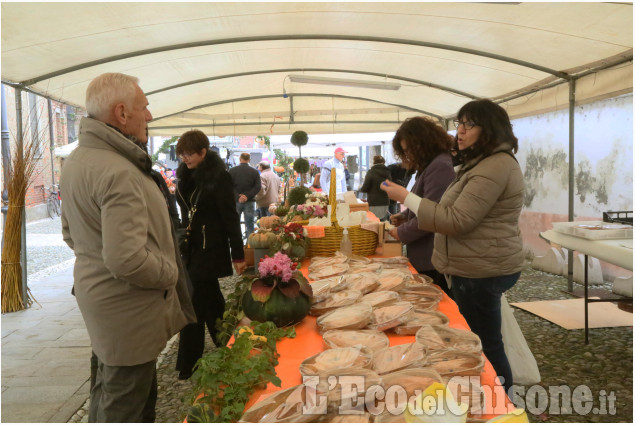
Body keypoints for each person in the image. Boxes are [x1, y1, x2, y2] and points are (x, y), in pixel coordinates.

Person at [60, 72, 196, 422]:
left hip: (105, 302)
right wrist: (170, 272)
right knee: (125, 406)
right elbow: (127, 259)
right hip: (126, 311)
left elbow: (70, 233)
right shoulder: (119, 170)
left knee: (107, 392)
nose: (149, 116)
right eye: (144, 107)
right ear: (122, 113)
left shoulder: (79, 160)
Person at [381, 99, 524, 393]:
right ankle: (490, 397)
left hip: (481, 269)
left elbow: (456, 220)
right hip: (472, 265)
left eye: (469, 124)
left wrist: (406, 198)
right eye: (459, 123)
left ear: (490, 129)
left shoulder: (494, 166)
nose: (460, 131)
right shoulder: (480, 163)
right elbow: (446, 211)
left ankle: (502, 404)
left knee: (484, 344)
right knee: (476, 339)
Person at [174, 130, 246, 380]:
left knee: (195, 301)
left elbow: (230, 216)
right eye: (181, 153)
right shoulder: (185, 176)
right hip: (191, 248)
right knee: (209, 302)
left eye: (189, 153)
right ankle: (229, 346)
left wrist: (238, 253)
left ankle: (190, 361)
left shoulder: (219, 178)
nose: (184, 158)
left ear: (203, 152)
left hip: (211, 247)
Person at [386, 117, 456, 296]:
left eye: (409, 149)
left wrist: (400, 233)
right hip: (426, 253)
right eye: (404, 151)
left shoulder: (440, 166)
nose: (408, 155)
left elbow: (432, 213)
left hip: (433, 256)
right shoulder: (430, 165)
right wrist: (405, 215)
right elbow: (425, 202)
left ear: (424, 142)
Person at [228, 153, 261, 238]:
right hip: (249, 201)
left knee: (235, 223)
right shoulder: (254, 171)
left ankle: (236, 243)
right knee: (250, 224)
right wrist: (247, 196)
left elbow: (228, 186)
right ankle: (250, 246)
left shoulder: (232, 171)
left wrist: (238, 196)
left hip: (235, 201)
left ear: (240, 159)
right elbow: (258, 187)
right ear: (249, 160)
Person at [358, 155, 392, 220]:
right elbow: (389, 185)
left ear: (374, 162)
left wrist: (360, 188)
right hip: (385, 201)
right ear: (383, 162)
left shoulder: (371, 172)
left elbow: (365, 188)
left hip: (374, 202)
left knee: (374, 222)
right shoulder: (388, 172)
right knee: (384, 224)